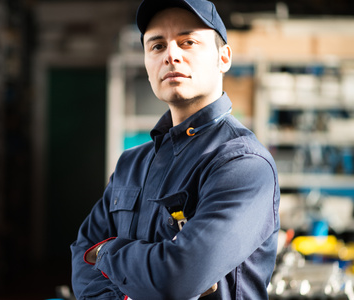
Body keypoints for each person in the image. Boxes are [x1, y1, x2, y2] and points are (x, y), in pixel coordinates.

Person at [71, 0, 280, 299]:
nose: (171, 55)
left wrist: (106, 252)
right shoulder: (131, 164)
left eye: (188, 42)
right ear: (146, 64)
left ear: (224, 57)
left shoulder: (243, 164)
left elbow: (178, 278)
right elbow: (81, 257)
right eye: (157, 46)